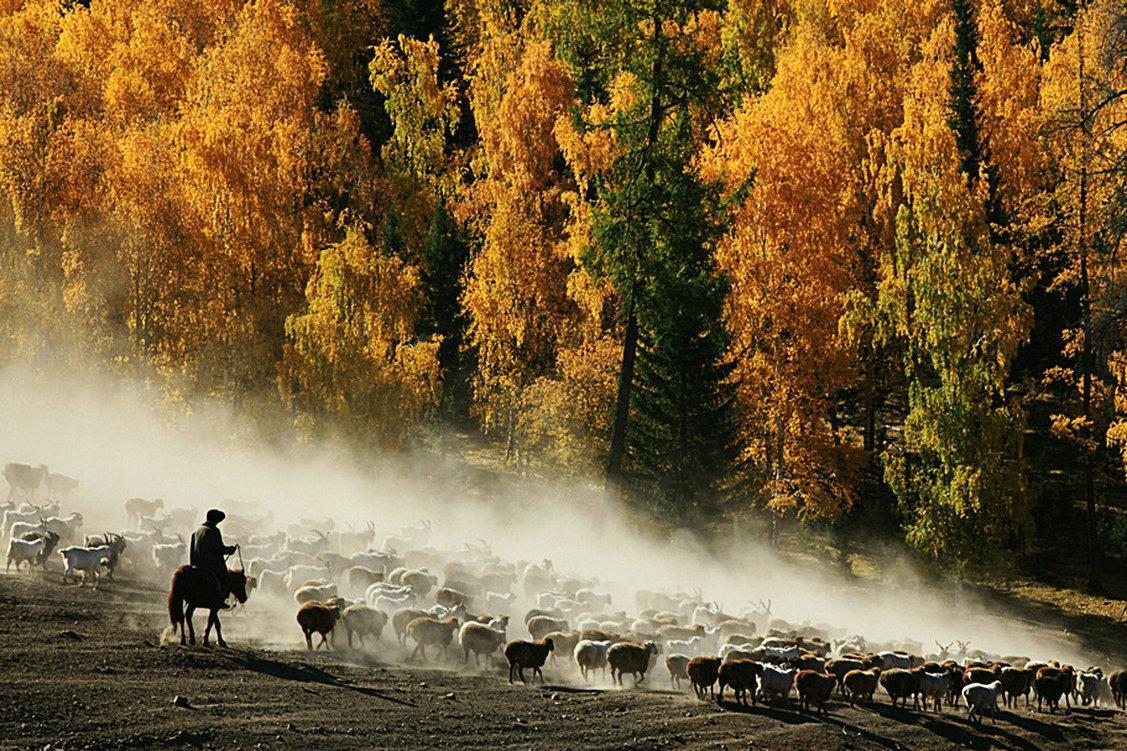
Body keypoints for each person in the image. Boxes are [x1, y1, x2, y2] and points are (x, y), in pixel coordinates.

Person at [190, 509, 237, 606]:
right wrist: (231, 550)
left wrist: (192, 565)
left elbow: (191, 551)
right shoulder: (213, 531)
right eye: (219, 521)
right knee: (227, 579)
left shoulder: (197, 531)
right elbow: (219, 548)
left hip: (197, 565)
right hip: (210, 565)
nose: (218, 523)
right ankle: (220, 600)